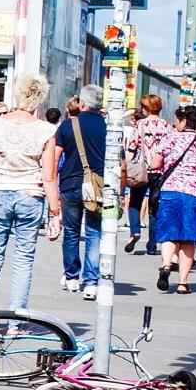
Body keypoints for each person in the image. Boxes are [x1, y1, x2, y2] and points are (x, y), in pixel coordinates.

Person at [0, 73, 61, 327]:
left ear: (17, 94)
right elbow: (49, 176)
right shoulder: (46, 130)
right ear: (39, 98)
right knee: (23, 258)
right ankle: (14, 323)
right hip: (30, 197)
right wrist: (55, 213)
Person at [151, 106, 196, 293]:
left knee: (169, 234)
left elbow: (155, 164)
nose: (176, 124)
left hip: (171, 192)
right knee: (189, 239)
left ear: (183, 121)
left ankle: (167, 265)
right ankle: (183, 283)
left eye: (177, 120)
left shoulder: (170, 138)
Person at [51, 87, 108, 298]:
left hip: (71, 184)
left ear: (82, 103)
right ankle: (91, 282)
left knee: (72, 232)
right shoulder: (109, 126)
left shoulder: (68, 125)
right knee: (94, 233)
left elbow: (56, 159)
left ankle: (72, 276)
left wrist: (51, 185)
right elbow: (118, 162)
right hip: (98, 188)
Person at [124, 93, 172, 254]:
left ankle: (135, 231)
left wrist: (128, 166)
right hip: (161, 172)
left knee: (134, 203)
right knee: (155, 207)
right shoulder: (167, 126)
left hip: (142, 171)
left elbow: (132, 147)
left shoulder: (140, 125)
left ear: (146, 108)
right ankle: (152, 245)